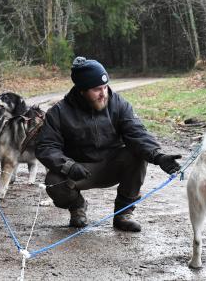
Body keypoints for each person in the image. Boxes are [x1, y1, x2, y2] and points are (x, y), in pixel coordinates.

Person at [35, 56, 181, 232]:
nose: (103, 93)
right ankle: (77, 207)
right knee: (54, 181)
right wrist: (68, 166)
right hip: (79, 170)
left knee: (136, 156)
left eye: (105, 87)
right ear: (81, 90)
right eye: (97, 89)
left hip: (113, 165)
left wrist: (158, 156)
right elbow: (46, 147)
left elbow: (137, 133)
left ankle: (123, 214)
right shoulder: (59, 112)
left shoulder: (118, 103)